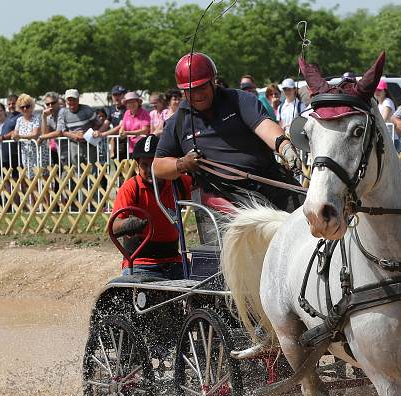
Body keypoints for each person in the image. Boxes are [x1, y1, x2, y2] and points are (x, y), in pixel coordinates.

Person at [154, 52, 303, 213]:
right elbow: (158, 166)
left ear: (213, 81)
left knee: (312, 216)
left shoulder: (239, 100)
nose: (197, 94)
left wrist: (284, 146)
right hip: (224, 197)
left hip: (269, 180)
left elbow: (265, 126)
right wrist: (182, 163)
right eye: (191, 90)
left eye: (202, 86)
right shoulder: (177, 121)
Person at [112, 134, 191, 279]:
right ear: (137, 166)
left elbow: (205, 196)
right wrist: (127, 223)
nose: (150, 170)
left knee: (203, 289)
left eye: (154, 164)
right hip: (140, 262)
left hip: (175, 259)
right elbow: (113, 226)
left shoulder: (178, 183)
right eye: (144, 165)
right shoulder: (130, 188)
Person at [11, 94, 50, 178]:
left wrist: (19, 136)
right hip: (26, 154)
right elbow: (15, 133)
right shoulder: (19, 120)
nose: (25, 109)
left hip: (39, 152)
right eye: (22, 107)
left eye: (27, 106)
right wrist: (14, 136)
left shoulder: (37, 119)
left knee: (44, 180)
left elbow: (35, 135)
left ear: (31, 107)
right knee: (31, 180)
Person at [374, 78, 400, 152]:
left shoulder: (387, 102)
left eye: (380, 90)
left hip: (391, 139)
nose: (377, 92)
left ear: (385, 91)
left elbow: (383, 120)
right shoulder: (379, 104)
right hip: (386, 139)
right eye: (375, 90)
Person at [108, 85, 128, 160]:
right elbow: (106, 123)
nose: (116, 97)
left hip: (126, 141)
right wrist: (98, 131)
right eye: (114, 95)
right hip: (116, 142)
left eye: (119, 95)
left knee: (128, 168)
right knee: (117, 168)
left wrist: (104, 134)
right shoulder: (112, 108)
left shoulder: (127, 109)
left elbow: (120, 126)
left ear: (124, 96)